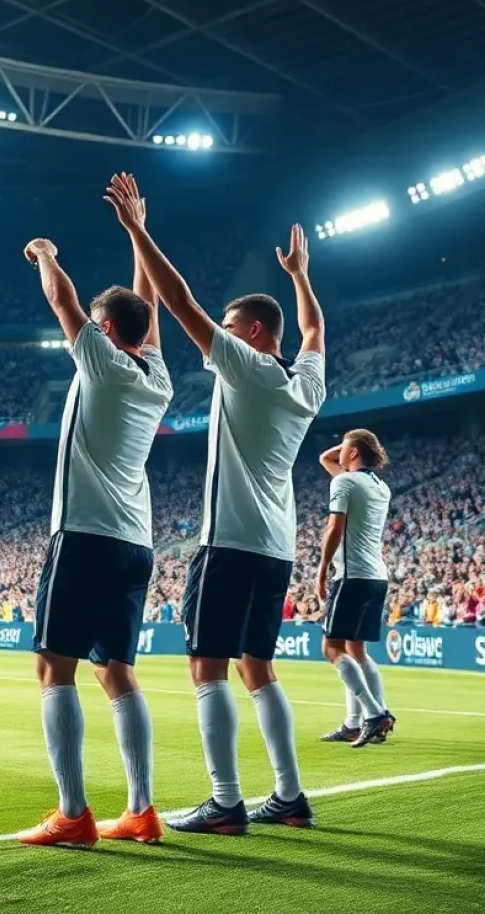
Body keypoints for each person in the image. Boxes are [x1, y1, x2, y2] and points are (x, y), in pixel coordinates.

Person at [105, 173, 325, 835]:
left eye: (230, 330)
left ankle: (225, 801)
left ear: (253, 333)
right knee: (257, 665)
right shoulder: (306, 381)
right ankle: (288, 794)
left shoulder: (250, 368)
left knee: (207, 666)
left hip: (230, 541)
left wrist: (137, 229)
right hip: (278, 545)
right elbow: (312, 327)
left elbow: (177, 302)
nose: (218, 340)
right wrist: (301, 275)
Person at [17, 204, 173, 849]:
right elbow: (151, 310)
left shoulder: (102, 363)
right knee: (118, 673)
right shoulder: (156, 374)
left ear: (106, 330)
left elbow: (63, 301)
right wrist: (139, 231)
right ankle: (140, 811)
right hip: (136, 541)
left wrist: (46, 252)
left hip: (83, 534)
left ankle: (74, 815)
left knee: (55, 669)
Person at [317, 430, 396, 748]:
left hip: (351, 575)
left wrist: (322, 570)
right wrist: (356, 444)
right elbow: (326, 459)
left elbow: (335, 527)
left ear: (351, 454)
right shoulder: (379, 486)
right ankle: (354, 723)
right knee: (355, 649)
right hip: (376, 575)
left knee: (331, 647)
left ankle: (375, 715)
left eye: (345, 447)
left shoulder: (346, 483)